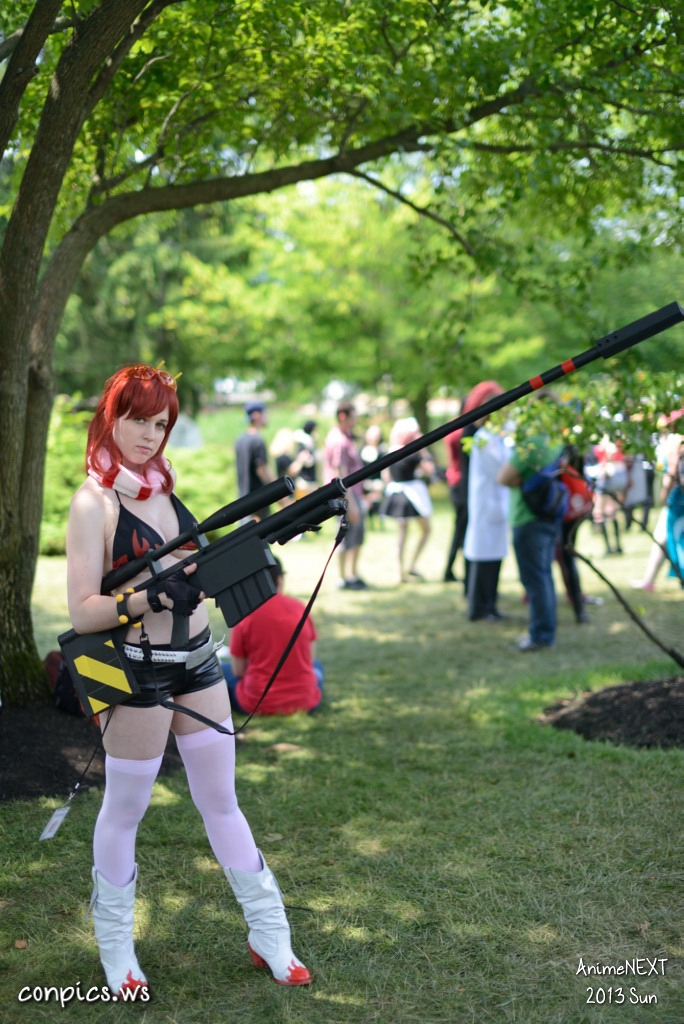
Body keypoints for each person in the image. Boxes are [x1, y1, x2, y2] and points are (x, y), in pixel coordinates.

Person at [66, 365, 311, 996]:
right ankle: (116, 949)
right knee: (125, 811)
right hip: (137, 672)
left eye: (160, 423)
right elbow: (84, 611)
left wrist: (277, 532)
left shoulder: (165, 488)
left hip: (200, 662)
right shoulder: (95, 502)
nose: (149, 435)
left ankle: (270, 933)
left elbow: (200, 568)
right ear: (110, 417)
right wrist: (147, 599)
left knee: (222, 800)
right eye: (137, 420)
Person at [221, 557, 324, 714]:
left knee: (222, 669)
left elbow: (238, 671)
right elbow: (309, 659)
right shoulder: (299, 607)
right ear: (280, 579)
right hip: (305, 702)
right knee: (317, 666)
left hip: (258, 703)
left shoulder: (244, 614)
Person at [498, 423, 565, 652]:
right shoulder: (555, 441)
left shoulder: (531, 445)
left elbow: (503, 477)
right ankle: (545, 632)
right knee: (544, 576)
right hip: (549, 514)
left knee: (535, 580)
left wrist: (518, 478)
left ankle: (541, 636)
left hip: (527, 517)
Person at [462, 383, 509, 620]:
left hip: (496, 505)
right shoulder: (483, 439)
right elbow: (501, 470)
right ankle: (480, 607)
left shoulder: (497, 438)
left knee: (494, 557)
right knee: (483, 557)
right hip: (487, 506)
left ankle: (490, 605)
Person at [381, 417, 435, 583]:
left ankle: (400, 571)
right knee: (426, 530)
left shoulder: (390, 451)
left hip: (396, 494)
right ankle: (411, 565)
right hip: (412, 494)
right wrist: (424, 450)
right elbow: (429, 470)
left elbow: (385, 476)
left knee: (401, 535)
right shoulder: (414, 453)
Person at [323, 401, 369, 590]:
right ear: (343, 417)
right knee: (344, 535)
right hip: (346, 497)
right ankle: (343, 577)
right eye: (353, 416)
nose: (356, 420)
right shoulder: (338, 440)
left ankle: (352, 574)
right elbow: (340, 474)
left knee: (357, 535)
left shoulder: (346, 437)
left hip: (354, 495)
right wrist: (351, 503)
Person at [234, 401, 278, 521]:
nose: (267, 417)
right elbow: (262, 469)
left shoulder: (240, 440)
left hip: (243, 499)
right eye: (265, 414)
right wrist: (277, 491)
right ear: (257, 415)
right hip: (258, 501)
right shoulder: (257, 440)